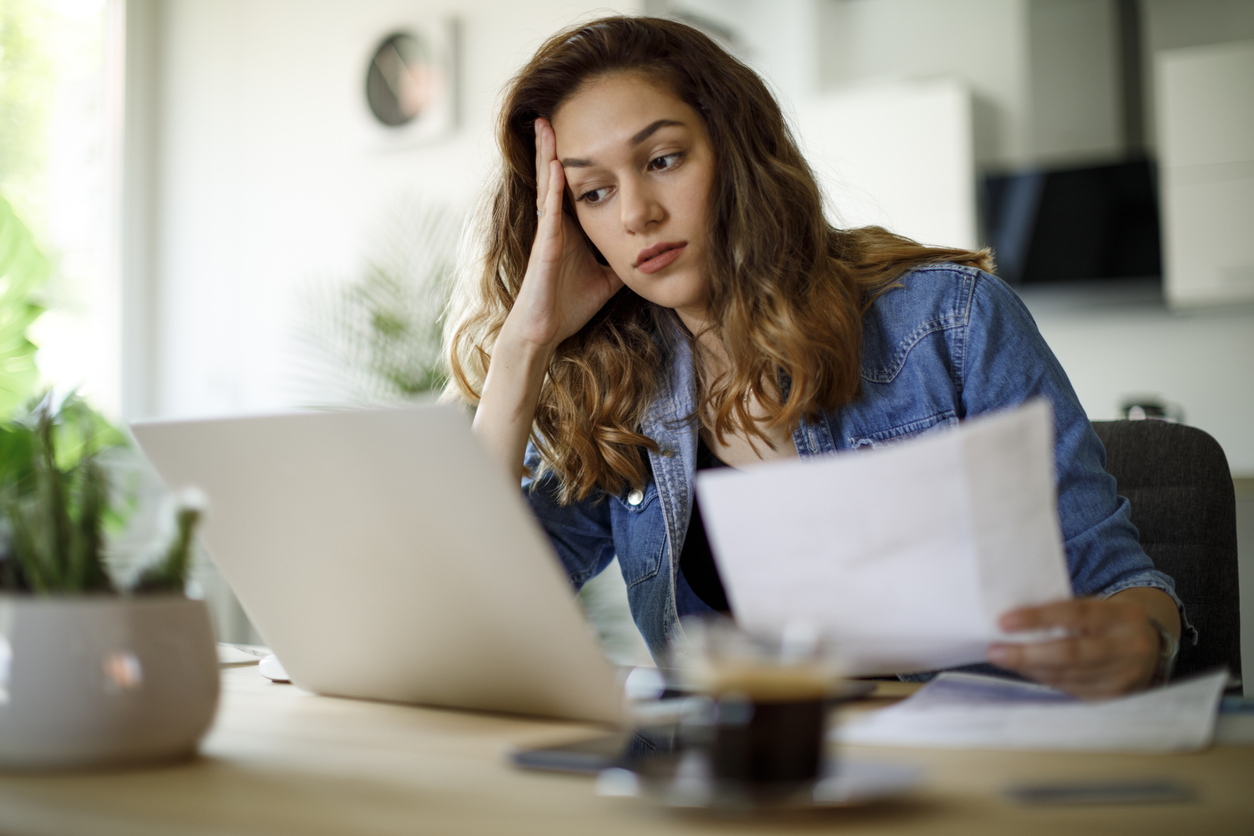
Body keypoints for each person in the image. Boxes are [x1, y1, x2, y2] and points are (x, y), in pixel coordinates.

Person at [446, 15, 1190, 698]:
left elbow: (1120, 582)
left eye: (664, 159)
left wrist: (1144, 638)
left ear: (735, 152)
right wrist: (525, 347)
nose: (637, 213)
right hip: (747, 781)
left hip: (972, 771)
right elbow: (472, 614)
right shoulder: (619, 388)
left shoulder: (949, 321)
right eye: (594, 193)